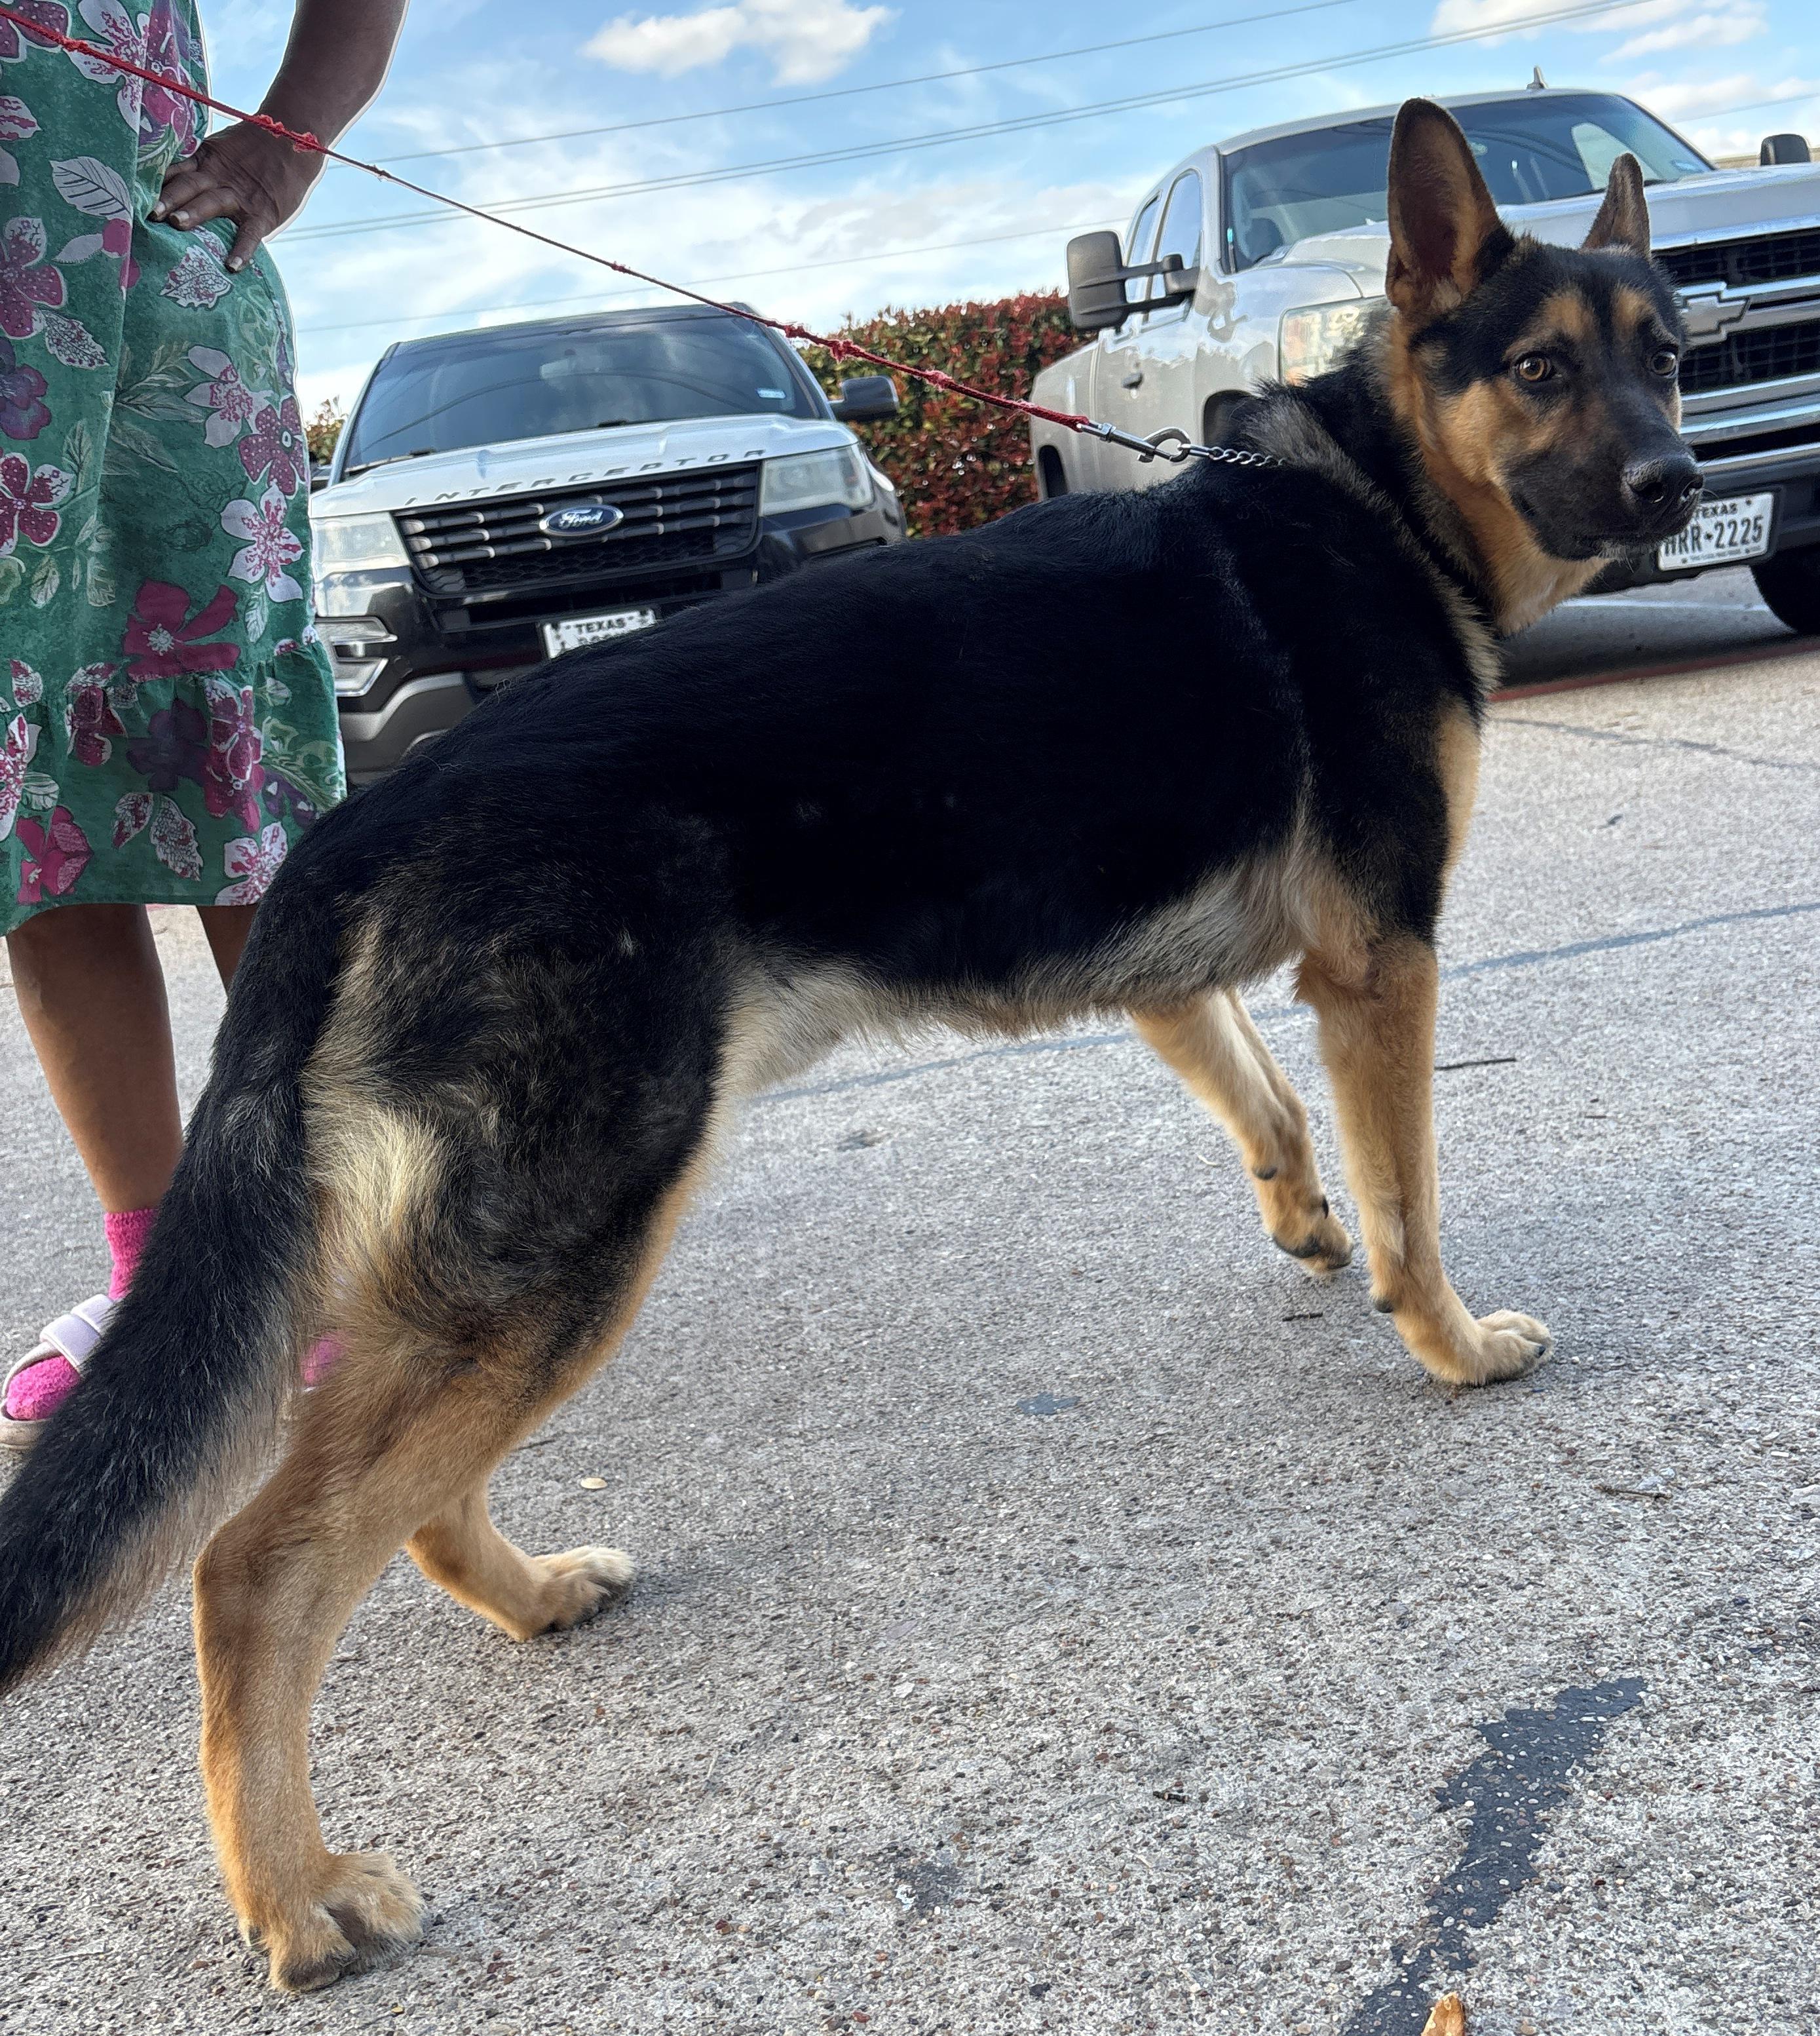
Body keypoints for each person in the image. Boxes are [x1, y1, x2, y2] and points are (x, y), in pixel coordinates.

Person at [2, 0, 409, 1446]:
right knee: (37, 815)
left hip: (150, 306)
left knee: (245, 813)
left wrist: (287, 146)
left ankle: (326, 1258)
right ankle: (164, 1282)